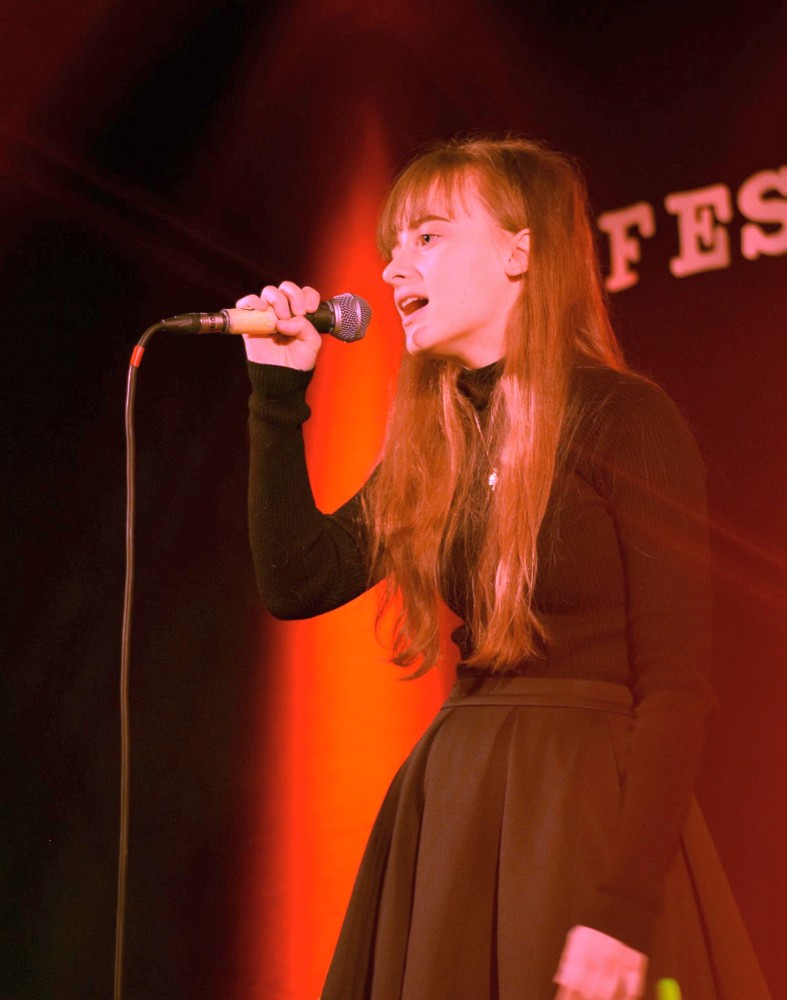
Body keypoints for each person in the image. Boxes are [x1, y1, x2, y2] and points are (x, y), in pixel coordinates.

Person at [239, 137, 770, 1000]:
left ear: (520, 252)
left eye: (428, 236)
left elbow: (675, 685)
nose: (393, 267)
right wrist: (276, 394)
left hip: (584, 808)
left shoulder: (623, 417)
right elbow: (297, 581)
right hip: (460, 803)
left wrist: (623, 906)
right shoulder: (436, 436)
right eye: (392, 246)